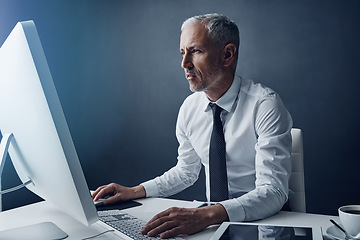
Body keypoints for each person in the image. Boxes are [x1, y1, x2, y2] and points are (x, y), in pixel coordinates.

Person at [92, 13, 293, 239]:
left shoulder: (265, 105)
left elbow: (274, 191)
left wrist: (207, 215)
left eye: (195, 51)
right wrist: (135, 191)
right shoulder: (190, 108)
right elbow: (186, 171)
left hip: (264, 226)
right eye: (182, 52)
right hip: (213, 225)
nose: (184, 63)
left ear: (227, 54)